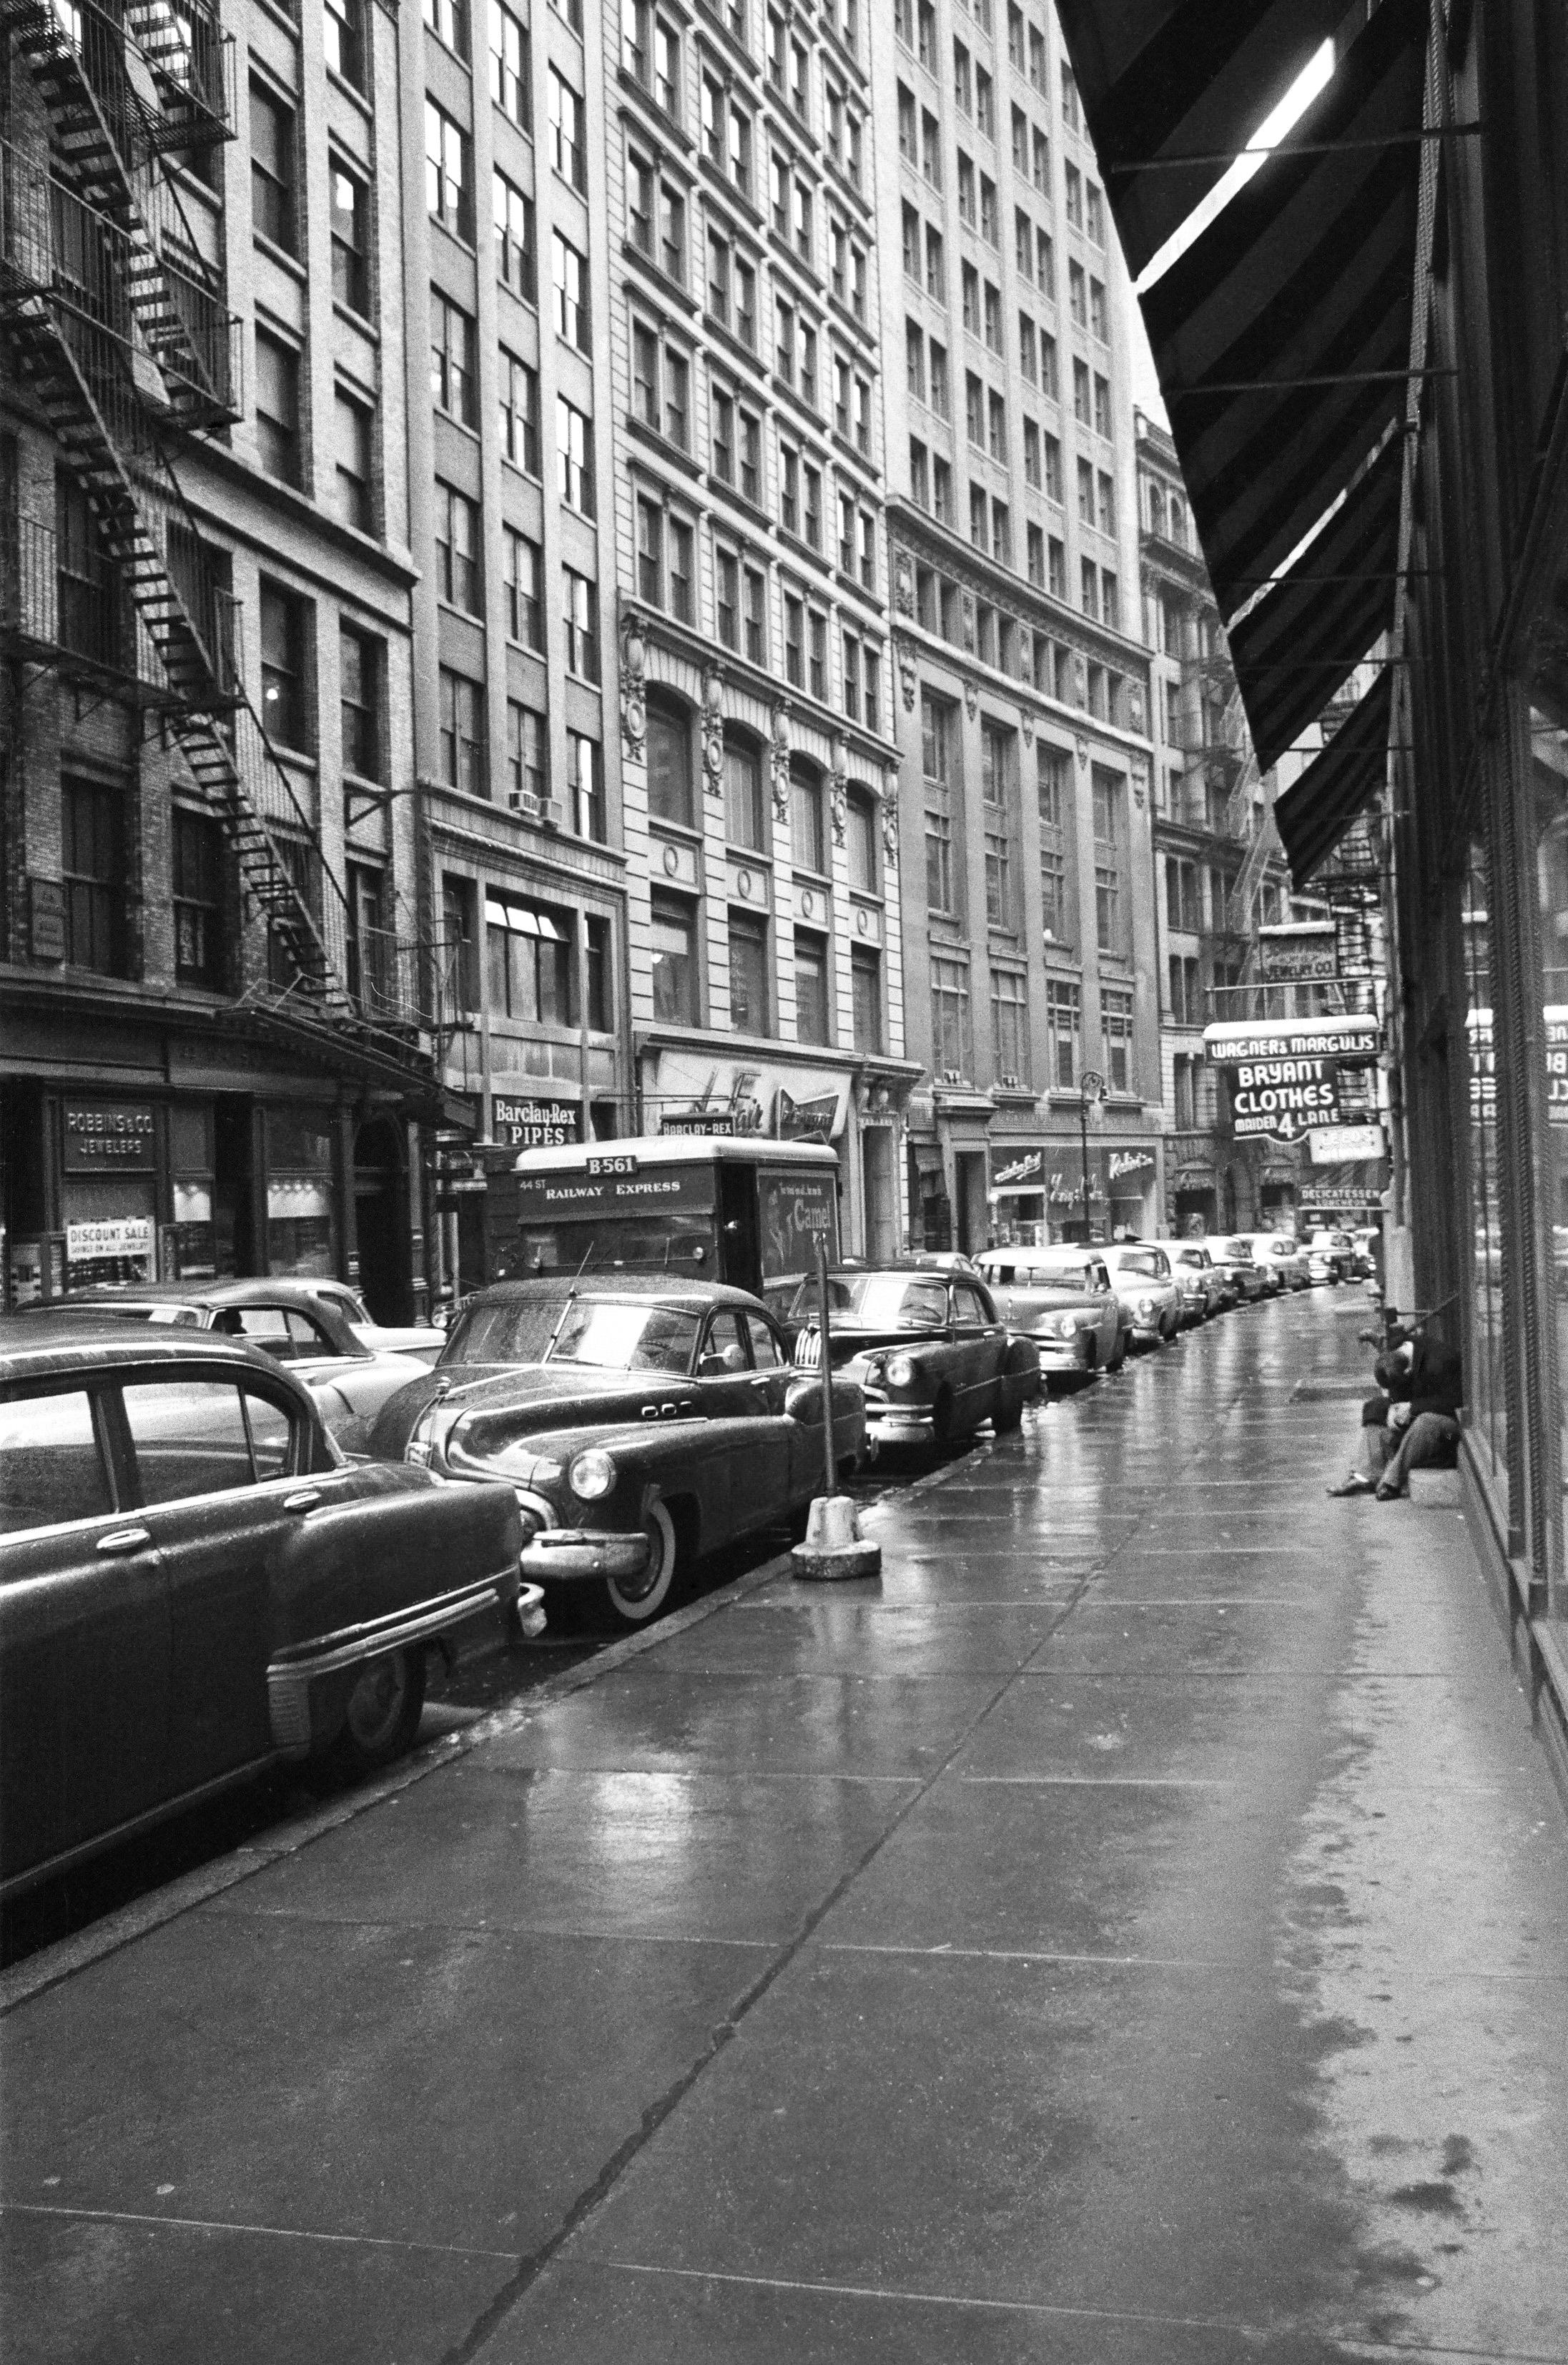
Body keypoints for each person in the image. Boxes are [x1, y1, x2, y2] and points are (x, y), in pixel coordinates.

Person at [1327, 1329, 1463, 1499]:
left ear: (1407, 1372)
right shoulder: (1396, 1349)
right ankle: (1365, 1477)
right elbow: (1395, 1391)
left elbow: (1457, 1402)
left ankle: (1391, 1482)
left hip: (1450, 1433)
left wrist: (1412, 1407)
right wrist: (1393, 1407)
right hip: (1419, 1417)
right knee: (1374, 1407)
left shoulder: (1443, 1360)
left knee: (1425, 1421)